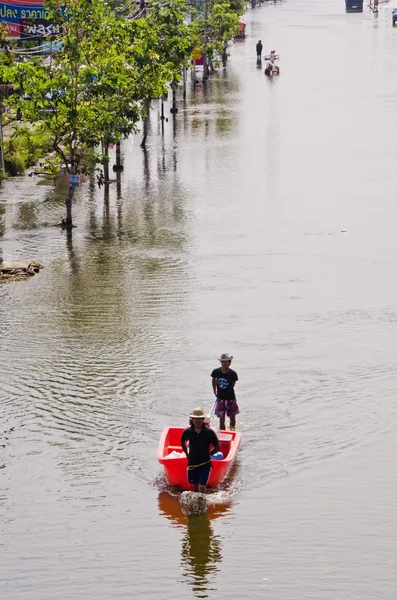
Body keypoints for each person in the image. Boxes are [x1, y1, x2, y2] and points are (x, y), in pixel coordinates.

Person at [181, 408, 220, 493]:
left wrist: (210, 454)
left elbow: (217, 446)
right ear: (192, 419)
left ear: (203, 419)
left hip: (205, 463)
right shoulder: (187, 432)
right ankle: (196, 505)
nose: (197, 421)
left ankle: (202, 504)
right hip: (192, 463)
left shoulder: (209, 432)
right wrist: (187, 454)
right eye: (195, 418)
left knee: (202, 487)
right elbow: (182, 440)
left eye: (200, 419)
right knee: (195, 488)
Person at [211, 353, 239, 430]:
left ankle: (232, 431)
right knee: (221, 420)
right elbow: (213, 379)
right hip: (220, 399)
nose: (224, 363)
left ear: (229, 362)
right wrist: (214, 391)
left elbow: (232, 385)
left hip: (231, 399)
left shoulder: (233, 374)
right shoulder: (216, 371)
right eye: (222, 362)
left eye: (226, 362)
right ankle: (223, 434)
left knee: (232, 420)